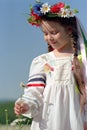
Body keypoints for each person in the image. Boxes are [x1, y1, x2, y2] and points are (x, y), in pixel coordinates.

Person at [14, 1, 87, 130]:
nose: (49, 38)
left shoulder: (82, 60)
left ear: (69, 30)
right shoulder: (43, 61)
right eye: (45, 33)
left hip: (75, 118)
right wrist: (26, 104)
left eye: (54, 32)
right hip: (48, 119)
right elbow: (35, 90)